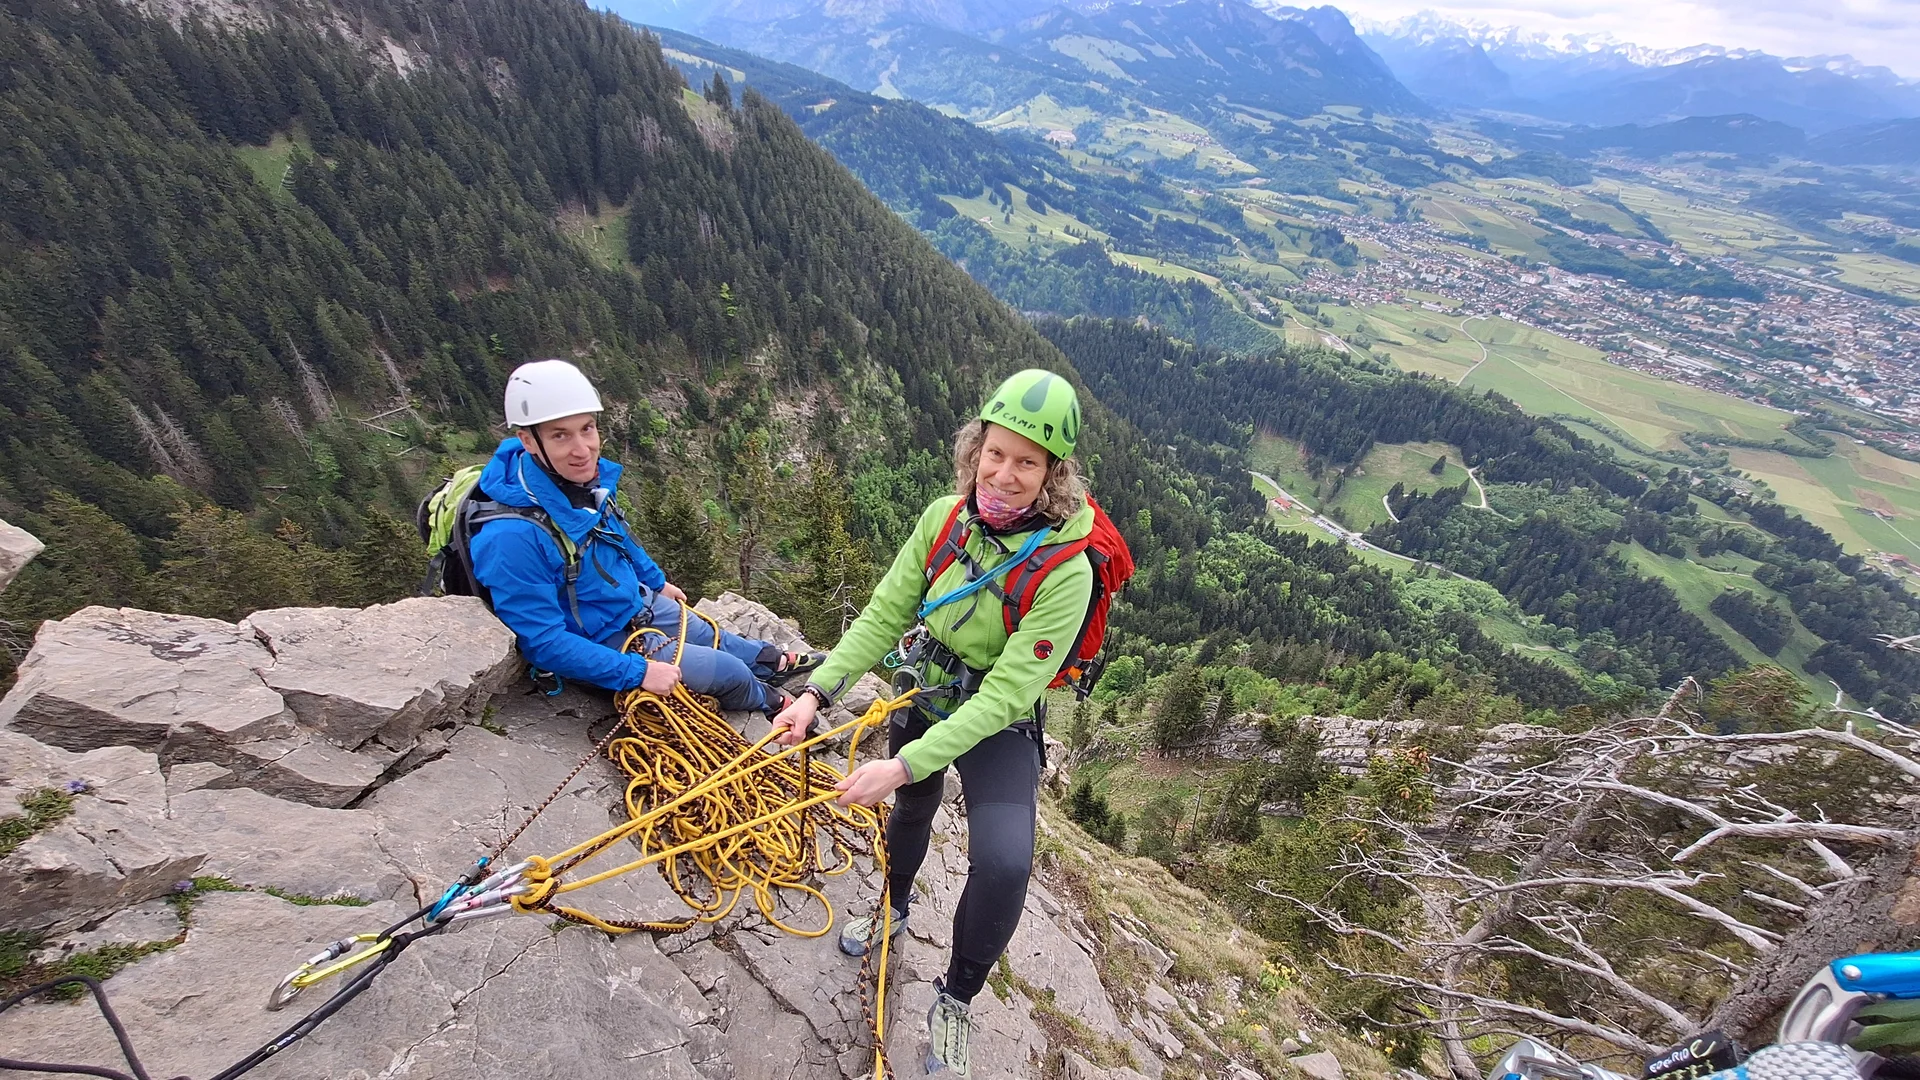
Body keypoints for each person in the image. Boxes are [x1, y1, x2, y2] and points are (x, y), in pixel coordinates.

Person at [769, 369, 1094, 1078]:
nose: (1004, 475)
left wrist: (904, 761)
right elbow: (885, 613)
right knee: (912, 807)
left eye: (1027, 463)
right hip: (931, 689)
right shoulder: (944, 520)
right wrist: (816, 694)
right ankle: (894, 906)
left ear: (1052, 475)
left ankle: (957, 996)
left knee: (1005, 863)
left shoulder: (1068, 570)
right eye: (996, 453)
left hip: (998, 722)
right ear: (976, 447)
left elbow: (1008, 695)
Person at [470, 358, 821, 710]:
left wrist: (655, 581)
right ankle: (770, 702)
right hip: (597, 639)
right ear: (528, 441)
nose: (582, 450)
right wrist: (637, 672)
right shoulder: (511, 537)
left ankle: (769, 661)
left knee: (704, 632)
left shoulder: (578, 485)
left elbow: (617, 535)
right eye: (560, 435)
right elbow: (543, 642)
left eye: (587, 429)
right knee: (728, 671)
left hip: (630, 602)